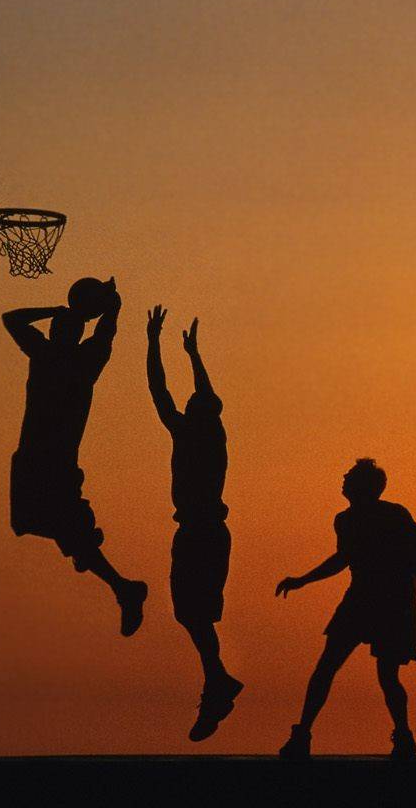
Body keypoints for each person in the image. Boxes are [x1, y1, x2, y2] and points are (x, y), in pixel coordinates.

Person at [4, 277, 148, 635]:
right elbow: (107, 331)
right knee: (43, 527)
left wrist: (53, 309)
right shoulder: (87, 359)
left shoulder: (45, 354)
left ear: (58, 331)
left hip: (43, 462)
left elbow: (11, 319)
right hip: (45, 462)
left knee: (58, 531)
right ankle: (105, 568)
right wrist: (112, 305)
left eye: (57, 324)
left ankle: (118, 581)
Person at [274, 459, 416, 760]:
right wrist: (303, 580)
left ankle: (403, 736)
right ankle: (303, 735)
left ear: (363, 485)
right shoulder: (345, 520)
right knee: (328, 668)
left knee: (383, 675)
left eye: (350, 476)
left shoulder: (393, 514)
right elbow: (343, 559)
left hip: (391, 601)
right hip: (363, 598)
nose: (343, 478)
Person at [147, 306, 243, 741]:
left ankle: (218, 683)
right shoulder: (213, 433)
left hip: (199, 532)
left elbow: (159, 391)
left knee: (193, 614)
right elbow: (200, 394)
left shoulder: (189, 435)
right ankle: (218, 680)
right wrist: (193, 354)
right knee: (193, 614)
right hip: (206, 532)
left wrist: (153, 344)